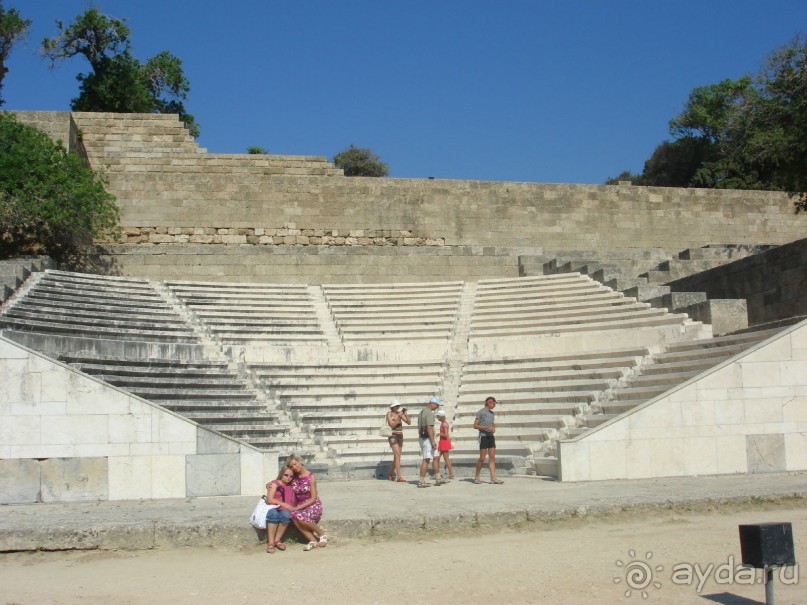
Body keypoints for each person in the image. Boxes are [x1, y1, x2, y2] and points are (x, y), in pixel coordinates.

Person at [286, 453, 328, 551]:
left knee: (299, 516)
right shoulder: (293, 477)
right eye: (292, 466)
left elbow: (313, 498)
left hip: (312, 503)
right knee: (293, 515)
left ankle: (322, 534)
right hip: (300, 504)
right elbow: (282, 481)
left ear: (301, 462)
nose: (294, 467)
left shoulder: (311, 476)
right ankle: (312, 539)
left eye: (295, 464)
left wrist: (299, 507)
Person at [264, 467, 295, 553]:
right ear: (281, 474)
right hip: (273, 506)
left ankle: (277, 540)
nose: (288, 478)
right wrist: (284, 504)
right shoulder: (275, 484)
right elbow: (270, 499)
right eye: (286, 475)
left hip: (284, 509)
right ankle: (270, 542)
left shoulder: (291, 486)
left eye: (291, 476)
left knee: (285, 515)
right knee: (273, 515)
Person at [473, 396, 503, 484]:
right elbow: (475, 425)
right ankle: (477, 476)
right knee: (482, 458)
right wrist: (485, 427)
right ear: (489, 402)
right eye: (494, 403)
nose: (494, 405)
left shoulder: (492, 413)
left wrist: (493, 429)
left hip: (490, 436)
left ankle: (493, 478)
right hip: (483, 436)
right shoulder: (480, 412)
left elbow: (493, 425)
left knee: (492, 458)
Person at [417, 396, 446, 487]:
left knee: (436, 456)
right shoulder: (429, 413)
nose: (437, 407)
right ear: (432, 404)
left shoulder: (421, 412)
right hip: (427, 439)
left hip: (424, 437)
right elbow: (429, 427)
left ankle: (438, 478)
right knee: (426, 459)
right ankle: (421, 481)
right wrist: (433, 441)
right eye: (436, 405)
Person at [386, 400, 411, 482]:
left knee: (397, 456)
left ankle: (390, 473)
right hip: (393, 435)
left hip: (400, 435)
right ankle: (399, 477)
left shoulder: (399, 414)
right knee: (397, 455)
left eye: (398, 406)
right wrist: (398, 417)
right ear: (393, 407)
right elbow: (392, 425)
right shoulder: (389, 414)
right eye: (396, 406)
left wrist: (406, 415)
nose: (398, 408)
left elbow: (409, 422)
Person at [436, 409, 455, 480]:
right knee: (438, 458)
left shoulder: (444, 424)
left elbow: (446, 434)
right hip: (443, 442)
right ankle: (440, 473)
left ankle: (450, 474)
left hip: (444, 443)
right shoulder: (444, 423)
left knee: (444, 459)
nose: (437, 418)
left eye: (438, 416)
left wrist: (439, 434)